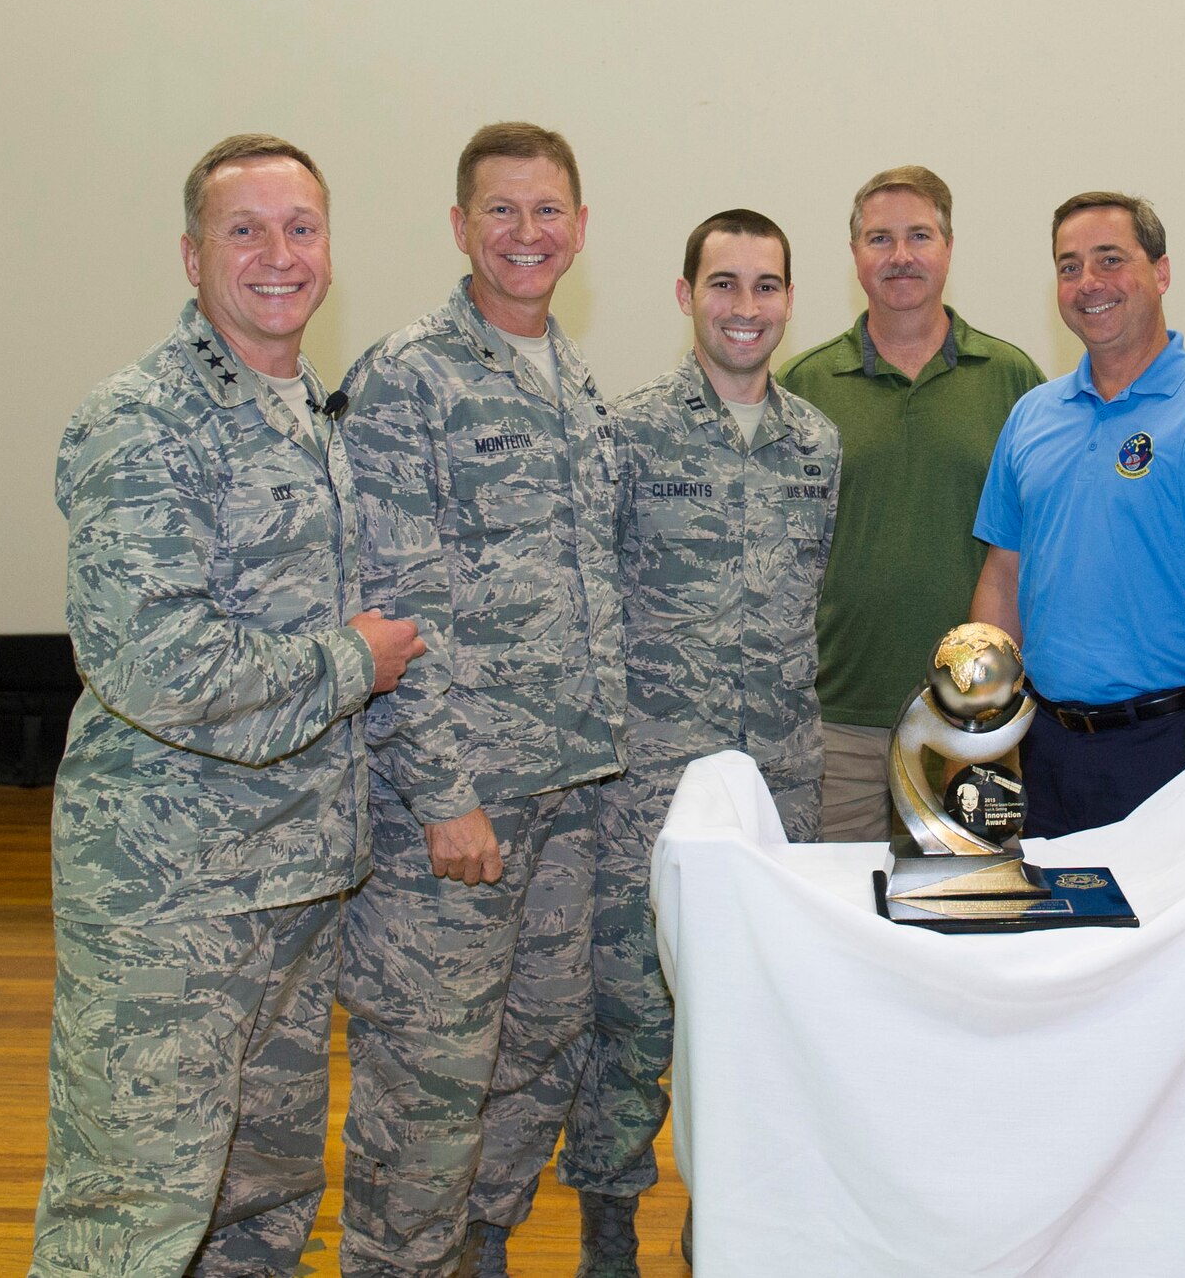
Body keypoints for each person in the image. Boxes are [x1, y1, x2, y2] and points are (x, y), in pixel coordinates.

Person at [33, 135, 425, 1277]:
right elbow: (154, 663)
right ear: (192, 255)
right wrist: (350, 663)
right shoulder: (142, 419)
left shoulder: (308, 413)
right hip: (174, 904)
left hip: (293, 885)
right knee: (132, 1220)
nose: (277, 254)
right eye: (244, 230)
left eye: (300, 228)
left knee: (259, 1208)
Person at [337, 122, 627, 1277]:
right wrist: (445, 795)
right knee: (429, 1083)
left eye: (546, 209)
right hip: (455, 820)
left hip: (564, 796)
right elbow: (386, 608)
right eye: (499, 211)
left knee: (542, 1049)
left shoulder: (574, 380)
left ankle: (474, 1251)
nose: (525, 233)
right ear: (459, 227)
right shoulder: (409, 377)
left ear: (580, 227)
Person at [556, 210, 839, 1272]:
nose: (745, 308)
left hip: (778, 791)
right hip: (651, 792)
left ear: (787, 301)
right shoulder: (625, 435)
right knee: (632, 1021)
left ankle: (725, 1226)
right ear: (685, 296)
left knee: (756, 1026)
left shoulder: (819, 444)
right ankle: (606, 1236)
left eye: (765, 286)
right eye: (723, 284)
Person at [970, 191, 1185, 838]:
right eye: (1069, 266)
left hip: (1167, 750)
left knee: (1166, 939)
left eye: (1110, 259)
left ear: (1161, 272)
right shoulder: (1032, 417)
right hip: (1040, 746)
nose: (1089, 283)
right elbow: (1002, 577)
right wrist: (980, 734)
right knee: (1044, 937)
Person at [780, 166, 1043, 841]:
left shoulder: (1014, 381)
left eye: (919, 236)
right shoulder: (804, 385)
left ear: (949, 248)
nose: (900, 256)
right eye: (880, 238)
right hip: (836, 721)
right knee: (836, 925)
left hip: (974, 719)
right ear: (855, 256)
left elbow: (1045, 548)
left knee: (970, 917)